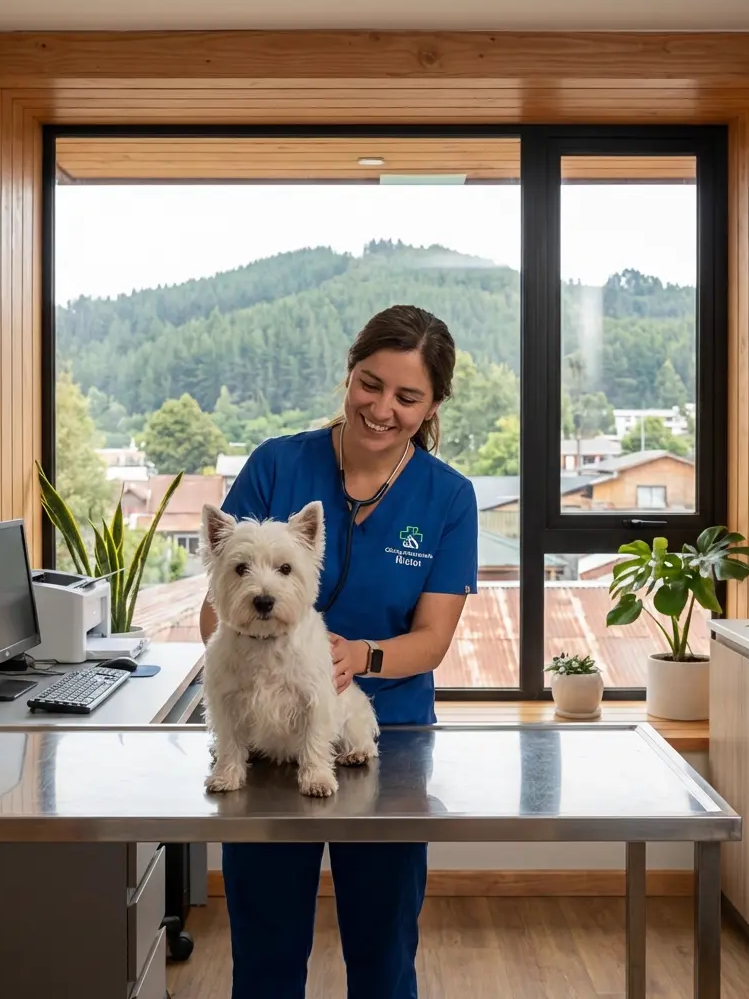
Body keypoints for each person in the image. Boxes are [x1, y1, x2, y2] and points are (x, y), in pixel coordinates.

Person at [199, 303, 479, 999]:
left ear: (432, 404)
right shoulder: (276, 464)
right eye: (369, 383)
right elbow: (222, 590)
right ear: (348, 375)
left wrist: (361, 657)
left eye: (407, 396)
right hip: (268, 747)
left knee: (384, 960)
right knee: (265, 958)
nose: (382, 408)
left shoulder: (449, 497)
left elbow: (433, 639)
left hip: (389, 744)